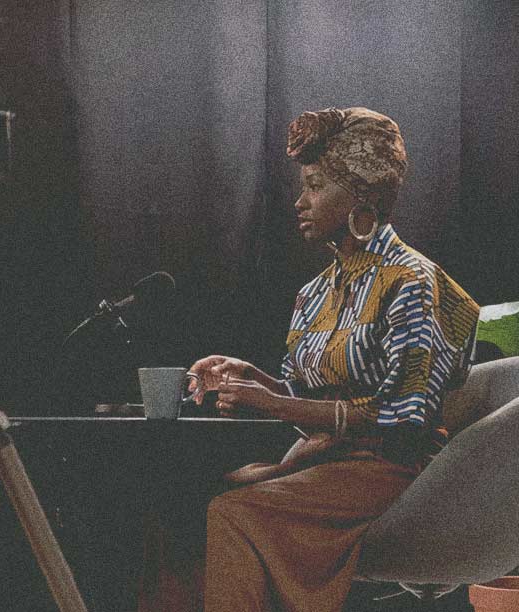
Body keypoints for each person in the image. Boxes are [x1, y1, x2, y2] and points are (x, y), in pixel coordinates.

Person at [188, 107, 479, 611]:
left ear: (360, 199)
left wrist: (275, 404)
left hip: (392, 470)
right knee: (184, 503)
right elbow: (301, 398)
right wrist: (246, 377)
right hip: (326, 462)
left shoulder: (410, 281)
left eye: (316, 186)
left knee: (235, 512)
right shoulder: (315, 292)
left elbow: (404, 418)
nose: (300, 202)